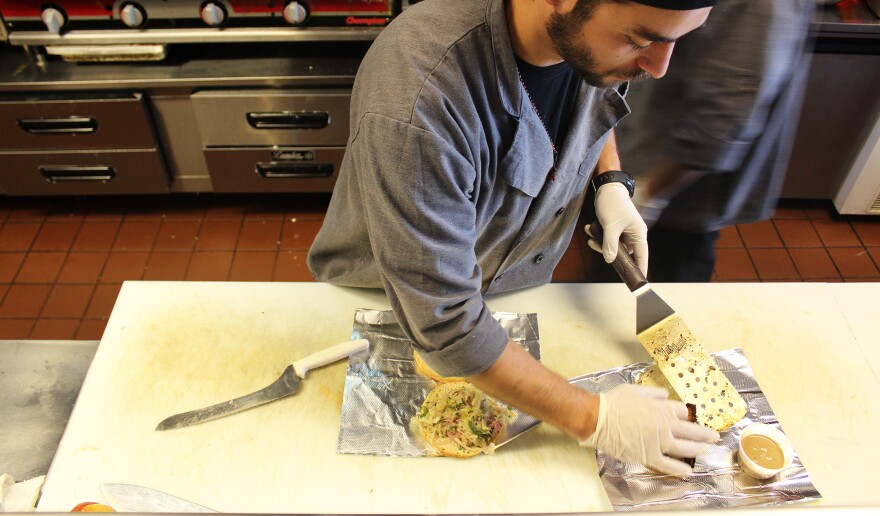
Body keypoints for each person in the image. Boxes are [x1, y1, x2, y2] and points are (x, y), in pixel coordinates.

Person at [308, 0, 719, 476]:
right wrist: (594, 418)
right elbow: (445, 320)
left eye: (676, 40)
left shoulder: (586, 36)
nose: (659, 67)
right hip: (381, 300)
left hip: (499, 281)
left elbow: (596, 87)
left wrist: (610, 180)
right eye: (640, 40)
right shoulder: (420, 93)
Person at [615, 0, 815, 282]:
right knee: (612, 282)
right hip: (640, 154)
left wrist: (650, 193)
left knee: (665, 287)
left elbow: (730, 106)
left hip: (674, 185)